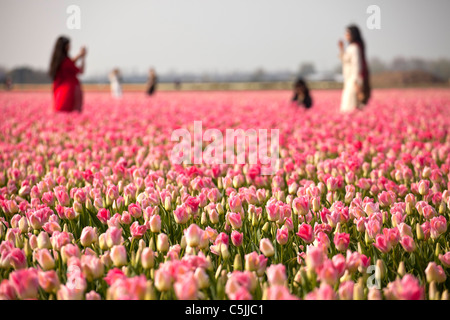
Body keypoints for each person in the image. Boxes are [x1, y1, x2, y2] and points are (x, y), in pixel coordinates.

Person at [49, 36, 86, 112]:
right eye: (69, 45)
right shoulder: (66, 62)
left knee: (61, 113)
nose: (70, 46)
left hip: (59, 91)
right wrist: (83, 58)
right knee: (70, 113)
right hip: (69, 91)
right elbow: (81, 70)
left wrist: (79, 55)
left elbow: (71, 62)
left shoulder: (58, 61)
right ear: (65, 47)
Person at [338, 25, 371, 112]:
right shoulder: (351, 47)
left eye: (347, 33)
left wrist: (356, 82)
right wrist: (341, 49)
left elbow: (357, 65)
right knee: (348, 103)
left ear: (353, 34)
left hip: (353, 80)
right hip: (349, 79)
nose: (345, 35)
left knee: (350, 105)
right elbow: (345, 59)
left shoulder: (355, 48)